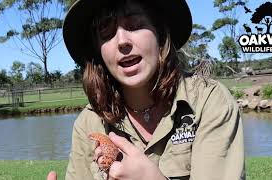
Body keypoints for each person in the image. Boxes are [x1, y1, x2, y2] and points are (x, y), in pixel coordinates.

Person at [47, 0, 245, 179]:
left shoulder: (208, 101)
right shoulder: (88, 122)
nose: (122, 41)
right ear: (98, 51)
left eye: (134, 25)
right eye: (106, 32)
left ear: (159, 33)